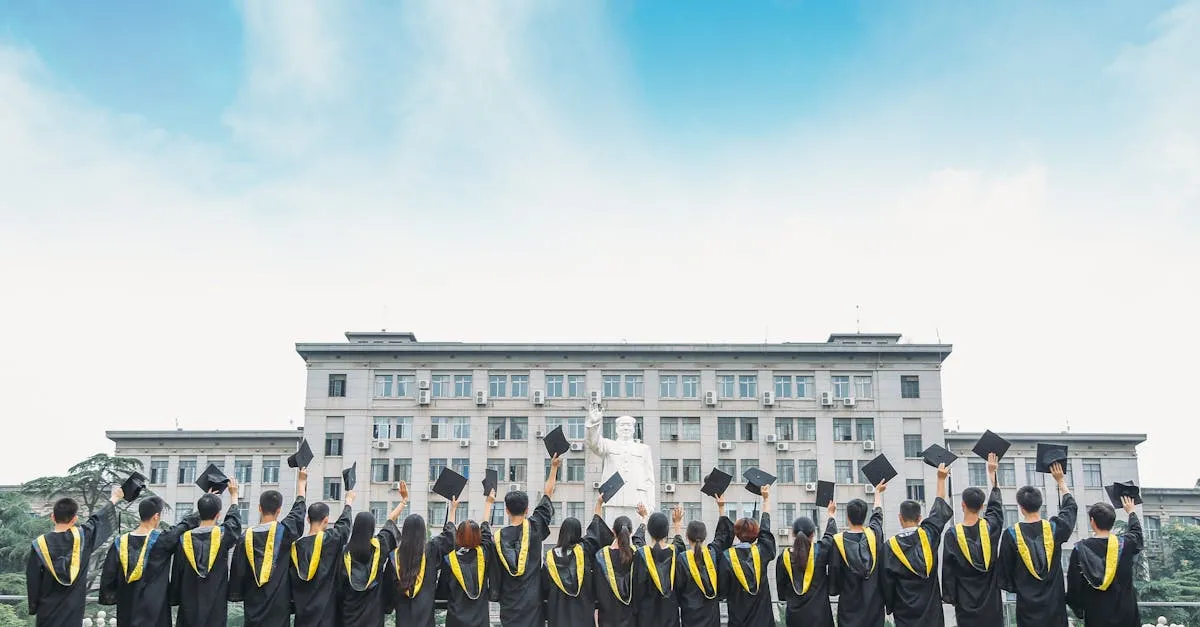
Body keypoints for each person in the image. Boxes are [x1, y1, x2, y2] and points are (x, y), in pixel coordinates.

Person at [99, 493, 202, 627]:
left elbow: (108, 576)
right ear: (156, 516)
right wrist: (203, 507)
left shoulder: (120, 543)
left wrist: (111, 595)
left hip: (128, 610)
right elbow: (183, 527)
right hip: (156, 612)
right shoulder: (162, 541)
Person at [27, 486, 122, 627]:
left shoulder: (39, 545)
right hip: (72, 612)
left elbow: (33, 580)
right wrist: (115, 498)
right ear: (74, 519)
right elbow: (98, 520)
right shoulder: (84, 538)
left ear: (53, 517)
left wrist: (34, 606)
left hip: (47, 613)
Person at [999, 462, 1077, 627]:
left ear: (1021, 507)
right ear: (1040, 504)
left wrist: (1023, 587)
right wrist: (1060, 481)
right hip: (1055, 608)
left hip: (1027, 609)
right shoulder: (1054, 529)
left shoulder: (1011, 535)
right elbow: (1070, 509)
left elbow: (1005, 575)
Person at [229, 468, 309, 627]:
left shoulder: (245, 538)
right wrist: (301, 482)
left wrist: (234, 496)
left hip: (253, 606)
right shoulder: (285, 532)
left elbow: (238, 572)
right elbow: (298, 512)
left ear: (259, 508)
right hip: (279, 608)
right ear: (279, 510)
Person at [882, 464, 953, 627]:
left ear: (900, 518)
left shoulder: (889, 547)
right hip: (931, 612)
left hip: (904, 613)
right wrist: (941, 479)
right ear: (920, 518)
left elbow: (887, 583)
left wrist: (890, 606)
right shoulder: (929, 535)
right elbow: (939, 509)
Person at [493, 454, 559, 627]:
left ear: (506, 510)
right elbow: (548, 495)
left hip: (509, 603)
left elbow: (496, 573)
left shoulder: (498, 538)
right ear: (527, 509)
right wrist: (553, 467)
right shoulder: (535, 527)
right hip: (532, 602)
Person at [942, 453, 1006, 627]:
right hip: (992, 603)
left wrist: (951, 597)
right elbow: (996, 507)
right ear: (982, 507)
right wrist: (992, 474)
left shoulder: (952, 535)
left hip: (966, 605)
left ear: (962, 504)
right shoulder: (991, 527)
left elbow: (948, 571)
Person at [1067, 496, 1144, 627]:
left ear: (1092, 521)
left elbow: (1074, 586)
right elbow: (1137, 534)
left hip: (1096, 615)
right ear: (1112, 522)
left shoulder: (1080, 550)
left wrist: (1079, 610)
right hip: (1126, 614)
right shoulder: (1125, 544)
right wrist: (1131, 512)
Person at [171, 489, 243, 627]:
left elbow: (177, 574)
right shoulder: (223, 536)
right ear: (218, 514)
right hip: (215, 610)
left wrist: (174, 598)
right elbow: (234, 523)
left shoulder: (184, 539)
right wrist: (234, 497)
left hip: (188, 610)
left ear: (199, 513)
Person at [390, 481, 458, 627]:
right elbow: (449, 537)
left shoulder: (395, 557)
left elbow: (387, 528)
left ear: (405, 532)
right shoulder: (431, 551)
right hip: (426, 621)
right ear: (423, 532)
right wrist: (453, 510)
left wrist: (403, 501)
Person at [542, 495, 613, 626]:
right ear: (578, 533)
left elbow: (544, 589)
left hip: (558, 618)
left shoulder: (549, 558)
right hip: (583, 617)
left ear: (561, 533)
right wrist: (598, 504)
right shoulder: (585, 551)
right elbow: (596, 531)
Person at [290, 487, 355, 627]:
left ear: (308, 519)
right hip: (326, 616)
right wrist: (348, 503)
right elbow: (344, 527)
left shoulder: (296, 548)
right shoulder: (331, 540)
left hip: (303, 617)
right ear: (326, 520)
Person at [341, 490, 406, 627]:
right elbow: (390, 522)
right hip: (373, 616)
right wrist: (403, 501)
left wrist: (348, 501)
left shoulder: (344, 553)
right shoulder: (379, 547)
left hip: (348, 616)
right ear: (372, 528)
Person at [829, 483, 887, 627]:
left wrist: (831, 516)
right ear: (865, 516)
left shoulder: (838, 541)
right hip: (874, 605)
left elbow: (835, 572)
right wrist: (877, 493)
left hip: (849, 608)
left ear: (847, 517)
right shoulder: (874, 535)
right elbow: (877, 516)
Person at [673, 492, 733, 627]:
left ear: (687, 536)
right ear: (705, 536)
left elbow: (677, 590)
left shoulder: (682, 559)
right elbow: (723, 535)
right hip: (712, 618)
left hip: (690, 617)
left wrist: (677, 525)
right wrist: (721, 508)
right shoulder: (713, 554)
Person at [776, 502, 838, 627]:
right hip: (820, 618)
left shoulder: (783, 558)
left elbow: (782, 594)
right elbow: (830, 537)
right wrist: (831, 515)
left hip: (795, 619)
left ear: (793, 534)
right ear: (813, 534)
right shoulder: (820, 551)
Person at [723, 485, 777, 627]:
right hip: (763, 622)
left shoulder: (727, 557)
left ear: (736, 534)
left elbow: (722, 591)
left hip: (738, 621)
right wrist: (766, 500)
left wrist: (721, 509)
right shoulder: (762, 552)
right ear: (756, 534)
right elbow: (766, 531)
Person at [442, 490, 496, 627]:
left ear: (458, 537)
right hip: (480, 621)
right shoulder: (484, 554)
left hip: (455, 621)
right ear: (478, 537)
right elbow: (486, 531)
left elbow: (442, 591)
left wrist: (453, 509)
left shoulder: (450, 560)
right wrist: (488, 503)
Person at [637, 506, 684, 627]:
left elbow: (638, 540)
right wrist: (677, 524)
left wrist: (644, 519)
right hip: (670, 616)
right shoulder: (675, 552)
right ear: (667, 531)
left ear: (649, 531)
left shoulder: (641, 554)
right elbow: (679, 542)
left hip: (647, 618)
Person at [594, 513, 643, 627]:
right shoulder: (637, 555)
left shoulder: (601, 557)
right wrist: (643, 520)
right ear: (630, 532)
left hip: (607, 619)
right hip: (632, 619)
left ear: (613, 531)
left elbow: (597, 591)